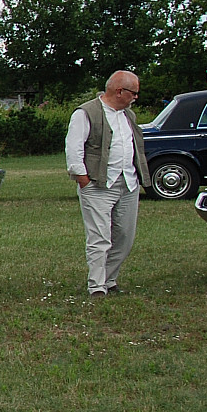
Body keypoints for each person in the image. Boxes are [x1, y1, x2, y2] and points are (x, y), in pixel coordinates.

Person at [65, 70, 149, 298]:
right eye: (134, 93)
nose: (136, 97)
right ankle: (97, 287)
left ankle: (110, 279)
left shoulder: (128, 115)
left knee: (124, 238)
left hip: (128, 184)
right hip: (98, 185)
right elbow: (74, 149)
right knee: (99, 238)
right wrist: (83, 179)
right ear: (120, 91)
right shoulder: (86, 113)